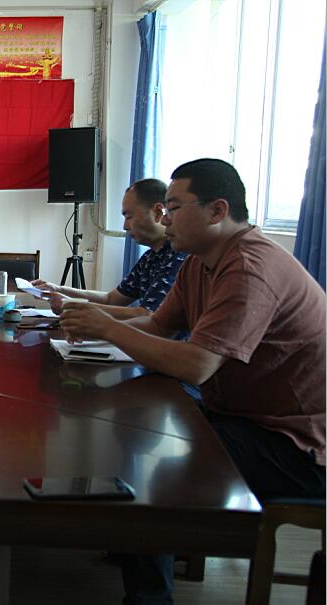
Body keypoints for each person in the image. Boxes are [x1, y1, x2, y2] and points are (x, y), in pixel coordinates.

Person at [60, 159, 325, 604]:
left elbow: (198, 365)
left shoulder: (251, 266)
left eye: (174, 207)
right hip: (243, 416)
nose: (165, 219)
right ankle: (139, 545)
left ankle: (149, 594)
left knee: (151, 470)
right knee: (132, 423)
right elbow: (159, 326)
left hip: (296, 445)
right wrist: (94, 326)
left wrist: (108, 327)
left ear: (218, 210)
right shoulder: (199, 263)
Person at [34, 179, 186, 318]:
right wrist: (58, 289)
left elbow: (147, 315)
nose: (125, 226)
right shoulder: (149, 257)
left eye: (129, 217)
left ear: (158, 212)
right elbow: (111, 299)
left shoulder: (179, 256)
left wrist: (71, 305)